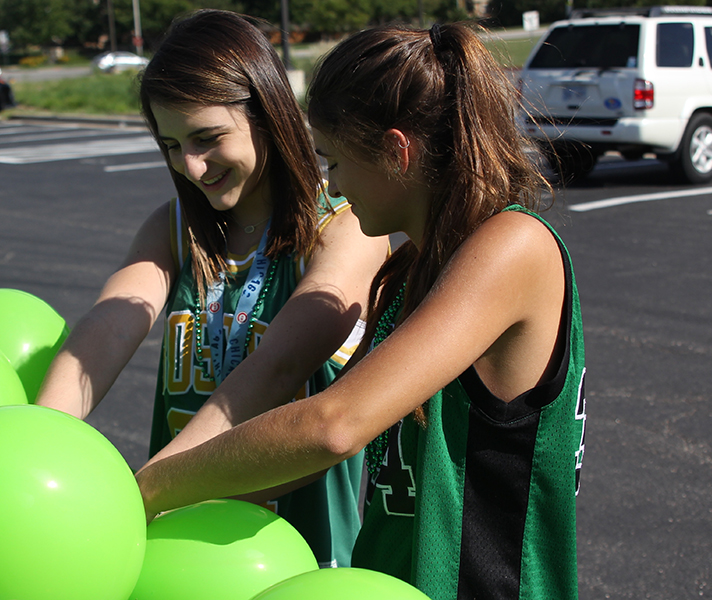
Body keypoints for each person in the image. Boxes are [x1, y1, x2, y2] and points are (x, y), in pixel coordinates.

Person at [136, 22, 586, 600]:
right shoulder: (410, 273)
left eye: (336, 162)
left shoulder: (513, 246)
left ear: (398, 152)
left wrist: (148, 488)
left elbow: (333, 426)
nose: (333, 184)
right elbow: (311, 458)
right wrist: (176, 509)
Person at [35, 10, 388, 568]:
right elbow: (108, 326)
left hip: (294, 557)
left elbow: (277, 367)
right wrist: (36, 445)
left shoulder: (344, 228)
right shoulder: (173, 229)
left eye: (207, 138)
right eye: (172, 145)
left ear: (267, 115)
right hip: (179, 554)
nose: (192, 167)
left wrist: (143, 494)